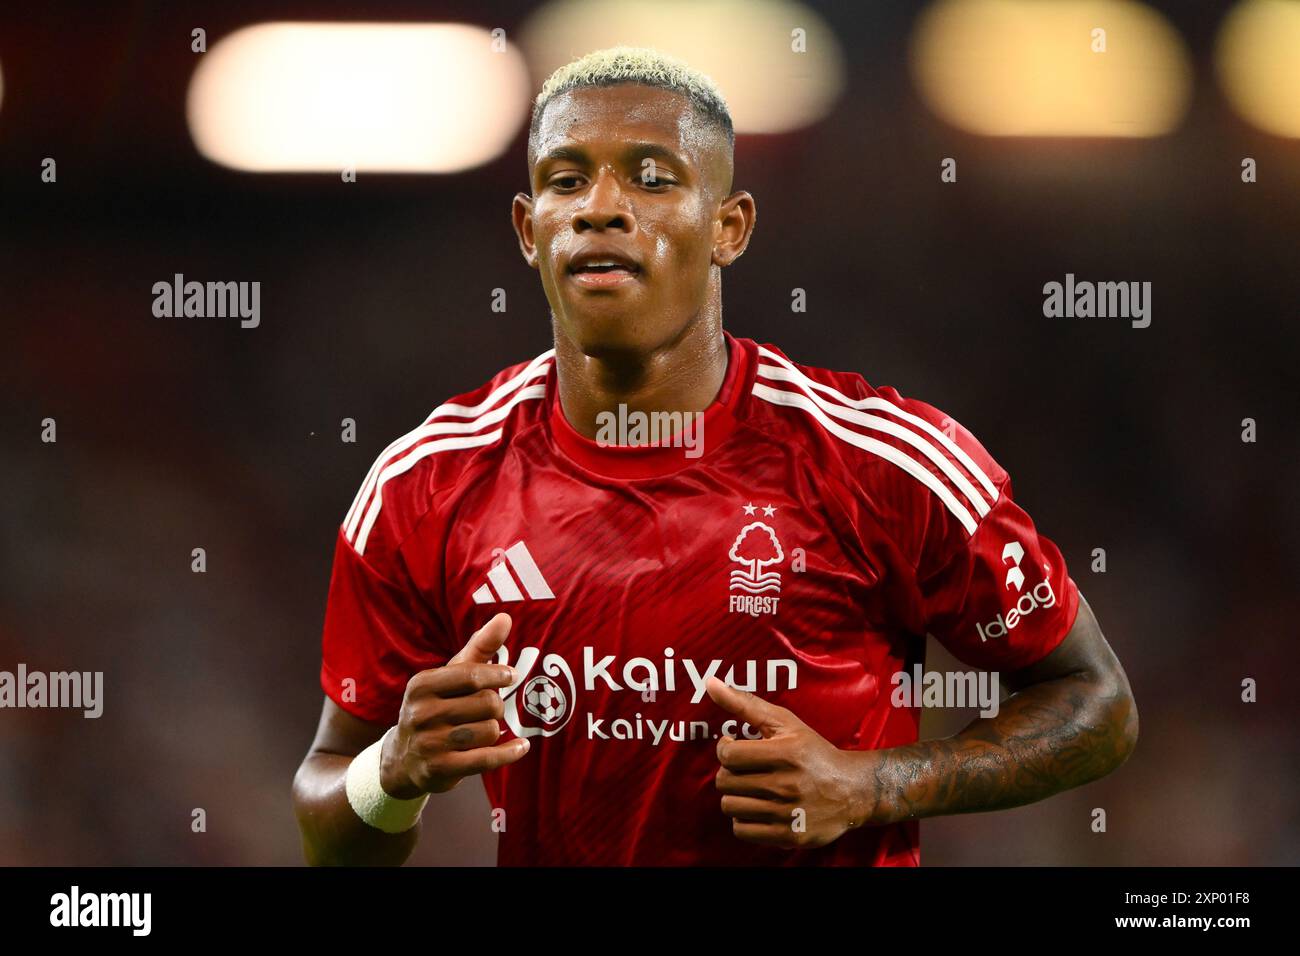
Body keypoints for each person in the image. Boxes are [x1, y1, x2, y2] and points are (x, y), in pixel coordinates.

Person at [292, 46, 1138, 866]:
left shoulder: (882, 464)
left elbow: (1095, 704)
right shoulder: (427, 482)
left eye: (653, 178)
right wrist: (393, 773)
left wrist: (873, 783)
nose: (601, 206)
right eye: (566, 179)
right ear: (528, 228)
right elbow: (332, 827)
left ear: (729, 227)